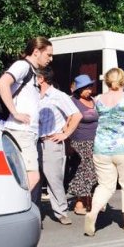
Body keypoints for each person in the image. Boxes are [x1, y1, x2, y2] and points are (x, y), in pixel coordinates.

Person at [84, 68, 124, 237]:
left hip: (101, 149)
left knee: (105, 185)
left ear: (106, 81)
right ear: (123, 80)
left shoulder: (98, 99)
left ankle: (93, 213)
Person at [0, 36, 53, 198]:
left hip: (26, 132)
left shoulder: (33, 72)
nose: (51, 58)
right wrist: (15, 113)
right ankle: (9, 207)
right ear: (36, 52)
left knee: (19, 177)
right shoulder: (22, 66)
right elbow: (2, 83)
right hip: (20, 131)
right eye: (48, 55)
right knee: (32, 176)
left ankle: (9, 207)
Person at [36, 66, 82, 225]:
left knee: (54, 178)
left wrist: (65, 134)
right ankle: (34, 211)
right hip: (35, 141)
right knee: (35, 178)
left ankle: (61, 212)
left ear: (41, 78)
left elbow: (76, 115)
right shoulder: (34, 96)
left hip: (51, 142)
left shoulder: (58, 96)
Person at [67, 74, 99, 216]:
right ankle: (81, 202)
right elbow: (67, 123)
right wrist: (68, 143)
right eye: (86, 88)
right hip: (80, 141)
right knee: (87, 170)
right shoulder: (73, 102)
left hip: (96, 142)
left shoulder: (94, 101)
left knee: (94, 171)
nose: (89, 90)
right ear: (79, 89)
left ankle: (88, 200)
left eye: (90, 87)